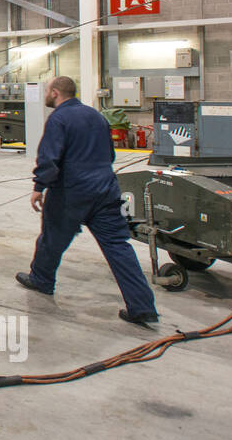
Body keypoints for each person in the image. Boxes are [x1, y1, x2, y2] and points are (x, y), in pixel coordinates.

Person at [16, 76, 159, 324]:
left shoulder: (58, 119)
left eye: (48, 91)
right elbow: (110, 153)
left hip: (72, 192)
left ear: (56, 93)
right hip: (106, 190)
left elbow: (49, 158)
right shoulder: (96, 116)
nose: (47, 95)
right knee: (118, 246)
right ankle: (142, 305)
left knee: (52, 238)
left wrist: (39, 186)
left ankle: (41, 279)